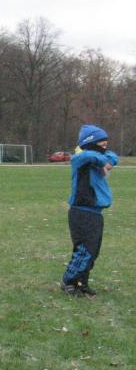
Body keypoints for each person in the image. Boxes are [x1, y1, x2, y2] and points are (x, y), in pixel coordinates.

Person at [61, 124, 118, 296]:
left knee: (93, 251)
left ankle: (81, 282)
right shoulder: (81, 159)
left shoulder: (98, 158)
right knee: (84, 250)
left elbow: (113, 157)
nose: (105, 148)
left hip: (95, 213)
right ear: (91, 143)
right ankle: (69, 282)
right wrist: (103, 160)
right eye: (102, 144)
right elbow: (89, 156)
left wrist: (107, 160)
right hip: (82, 212)